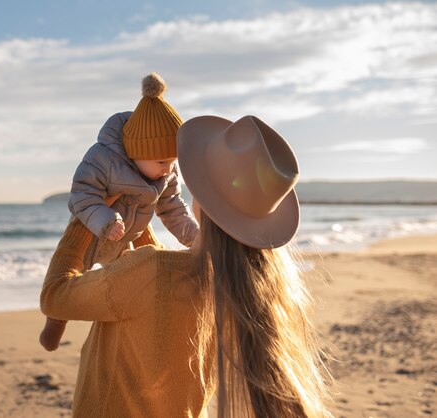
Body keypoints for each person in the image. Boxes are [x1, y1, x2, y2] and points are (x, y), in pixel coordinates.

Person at [40, 113, 333, 417]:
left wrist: (86, 217)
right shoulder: (241, 289)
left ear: (201, 203)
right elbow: (153, 283)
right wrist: (140, 213)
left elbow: (55, 295)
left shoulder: (151, 272)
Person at [39, 73, 199, 351]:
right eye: (162, 160)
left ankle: (146, 326)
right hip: (93, 231)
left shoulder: (166, 173)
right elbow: (82, 195)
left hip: (131, 232)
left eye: (173, 161)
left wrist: (196, 239)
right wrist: (105, 219)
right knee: (69, 279)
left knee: (147, 271)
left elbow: (174, 209)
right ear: (136, 153)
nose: (169, 168)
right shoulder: (104, 159)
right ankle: (54, 326)